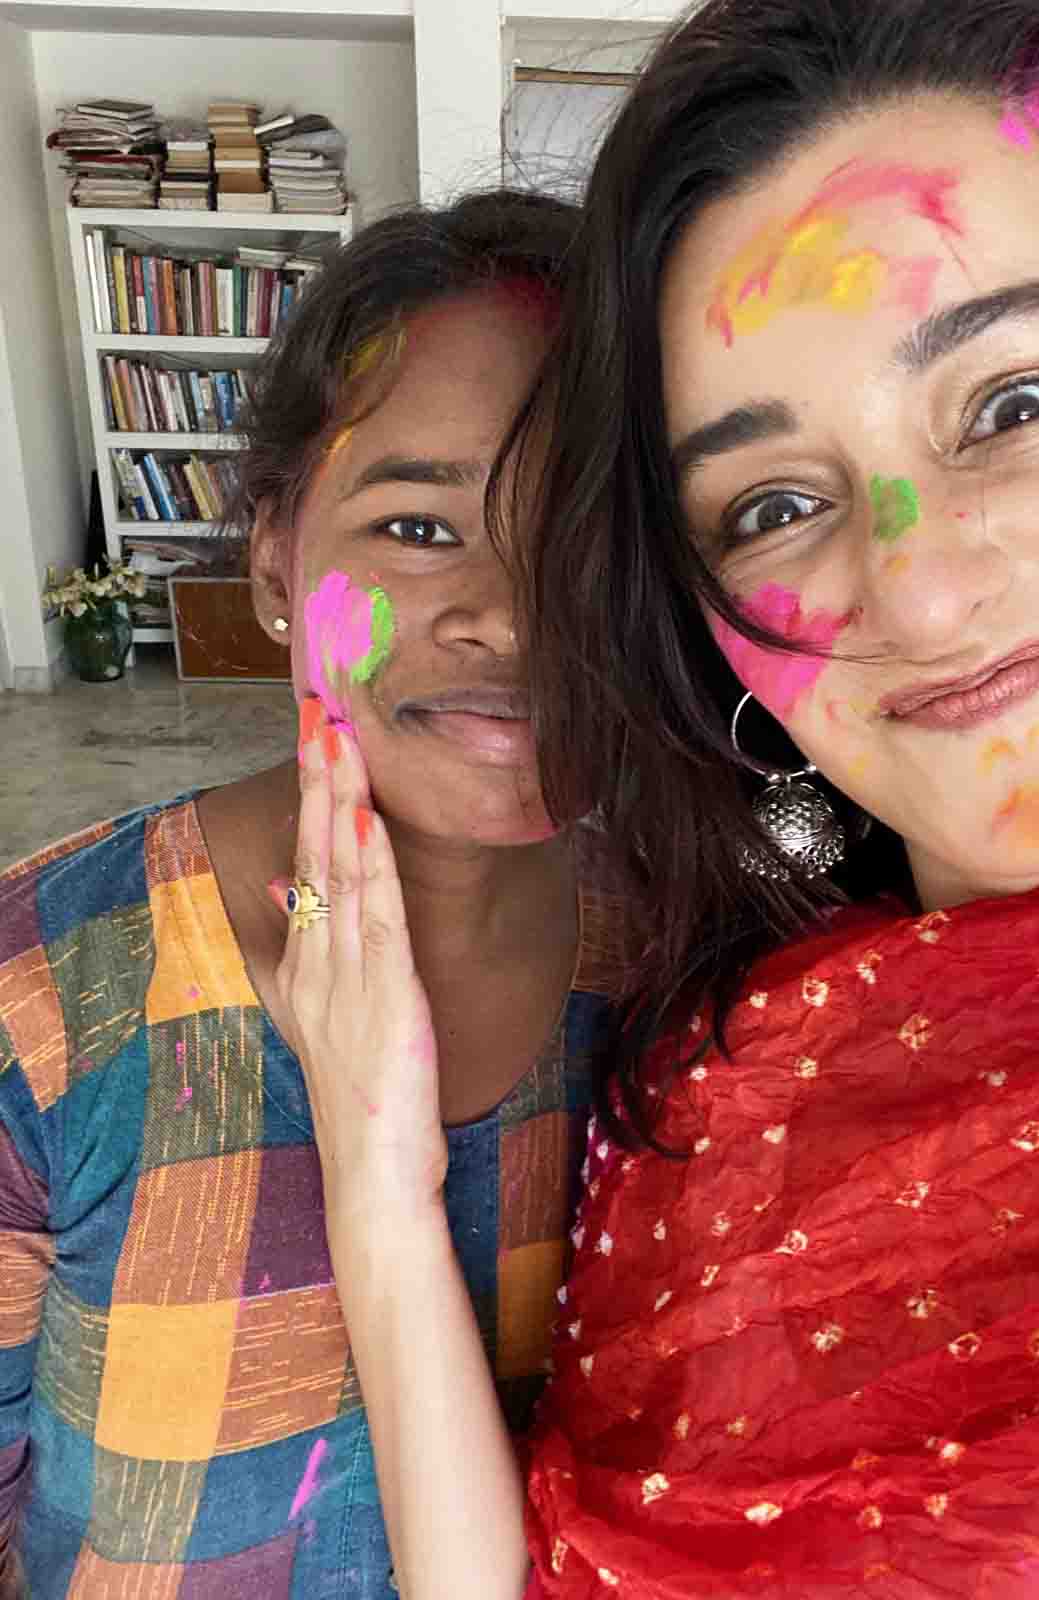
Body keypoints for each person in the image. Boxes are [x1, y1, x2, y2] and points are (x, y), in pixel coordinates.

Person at [276, 0, 1039, 1595]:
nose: (915, 596)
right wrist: (378, 1177)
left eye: (1013, 401)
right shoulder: (725, 1053)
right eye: (773, 502)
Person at [0, 189, 629, 1598]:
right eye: (418, 528)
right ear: (278, 556)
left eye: (586, 530)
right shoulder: (39, 998)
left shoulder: (695, 997)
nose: (515, 616)